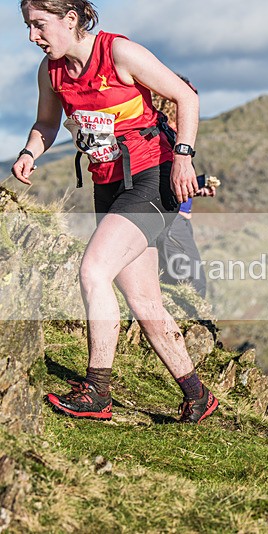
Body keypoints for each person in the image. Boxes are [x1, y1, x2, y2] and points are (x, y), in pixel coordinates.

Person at [12, 0, 217, 423]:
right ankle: (198, 396)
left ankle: (97, 390)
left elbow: (186, 95)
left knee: (94, 270)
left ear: (71, 20)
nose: (32, 36)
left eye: (39, 25)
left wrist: (183, 156)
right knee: (144, 300)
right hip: (108, 185)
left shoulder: (119, 52)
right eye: (28, 26)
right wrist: (30, 152)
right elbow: (47, 123)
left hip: (153, 178)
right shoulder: (50, 72)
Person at [151, 76, 217, 298]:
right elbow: (161, 181)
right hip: (172, 223)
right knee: (192, 286)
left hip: (177, 221)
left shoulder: (174, 138)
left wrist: (196, 187)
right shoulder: (165, 138)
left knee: (181, 282)